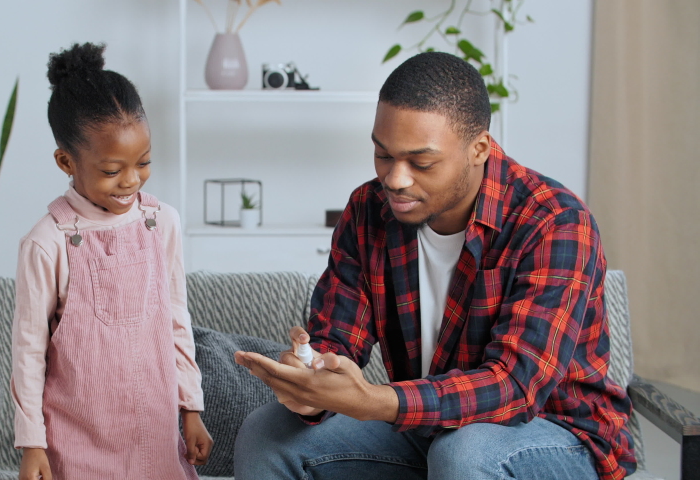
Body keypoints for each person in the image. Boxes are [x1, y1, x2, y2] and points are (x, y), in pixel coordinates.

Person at [233, 52, 635, 480]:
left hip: (557, 437)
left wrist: (374, 400)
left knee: (465, 451)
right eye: (383, 155)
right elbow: (338, 340)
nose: (395, 179)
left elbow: (515, 386)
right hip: (429, 431)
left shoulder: (554, 222)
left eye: (420, 162)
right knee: (269, 433)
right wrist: (313, 381)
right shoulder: (369, 210)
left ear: (478, 148)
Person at [11, 43, 213, 480]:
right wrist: (32, 443)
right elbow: (28, 352)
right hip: (77, 439)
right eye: (111, 170)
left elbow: (177, 320)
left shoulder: (164, 224)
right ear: (66, 161)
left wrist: (191, 407)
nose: (131, 180)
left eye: (143, 163)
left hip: (155, 435)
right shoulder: (46, 243)